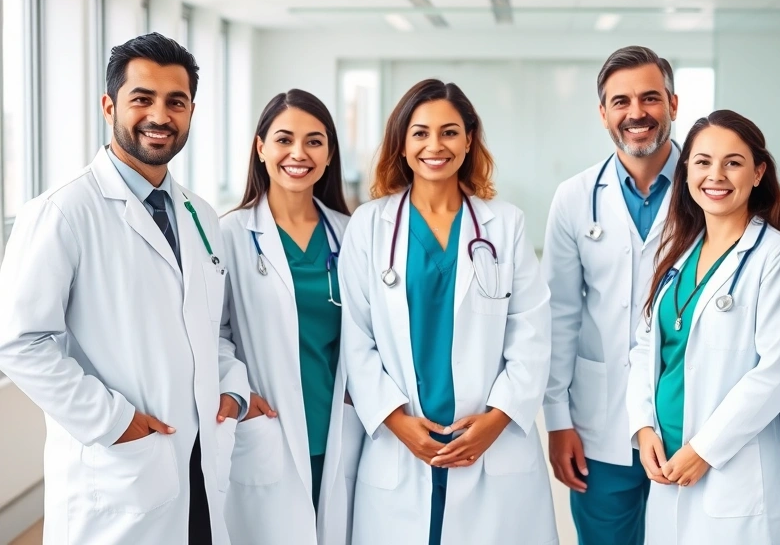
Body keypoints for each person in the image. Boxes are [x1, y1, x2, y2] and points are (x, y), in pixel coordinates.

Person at [0, 33, 247, 545]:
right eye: (143, 99)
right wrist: (114, 421)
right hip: (123, 467)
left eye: (175, 102)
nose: (160, 115)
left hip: (199, 461)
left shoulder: (199, 214)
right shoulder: (62, 213)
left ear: (191, 112)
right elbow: (19, 341)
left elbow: (208, 324)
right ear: (109, 105)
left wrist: (231, 388)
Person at [340, 79, 557, 545]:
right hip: (402, 441)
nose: (434, 146)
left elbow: (532, 335)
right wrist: (397, 423)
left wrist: (495, 421)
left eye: (449, 132)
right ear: (401, 143)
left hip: (489, 441)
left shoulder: (506, 224)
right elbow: (356, 339)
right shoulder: (369, 226)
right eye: (419, 133)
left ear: (469, 139)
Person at [626, 110, 780, 544]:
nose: (716, 175)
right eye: (702, 162)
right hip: (666, 462)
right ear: (687, 171)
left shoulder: (778, 257)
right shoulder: (676, 253)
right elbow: (646, 349)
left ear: (759, 172)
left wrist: (705, 449)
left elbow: (777, 370)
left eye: (734, 162)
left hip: (735, 469)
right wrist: (643, 426)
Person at [541, 45, 678, 544]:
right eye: (621, 102)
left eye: (650, 98)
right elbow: (558, 315)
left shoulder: (710, 188)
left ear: (673, 104)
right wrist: (557, 421)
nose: (636, 113)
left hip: (685, 420)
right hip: (602, 424)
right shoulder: (575, 197)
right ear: (603, 114)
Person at [218, 89, 363, 544]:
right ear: (261, 148)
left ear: (329, 153)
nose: (298, 154)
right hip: (268, 425)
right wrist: (237, 388)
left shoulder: (351, 232)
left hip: (341, 423)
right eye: (284, 139)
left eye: (314, 141)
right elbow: (214, 331)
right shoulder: (230, 234)